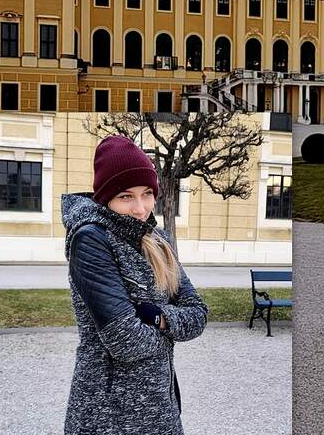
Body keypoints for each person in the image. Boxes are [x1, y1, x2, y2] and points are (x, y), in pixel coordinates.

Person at [61, 135, 208, 435]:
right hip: (107, 414)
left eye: (147, 194)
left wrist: (159, 317)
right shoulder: (91, 240)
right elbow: (126, 342)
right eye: (126, 196)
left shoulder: (158, 240)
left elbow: (198, 313)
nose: (141, 209)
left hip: (162, 408)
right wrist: (170, 331)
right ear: (106, 198)